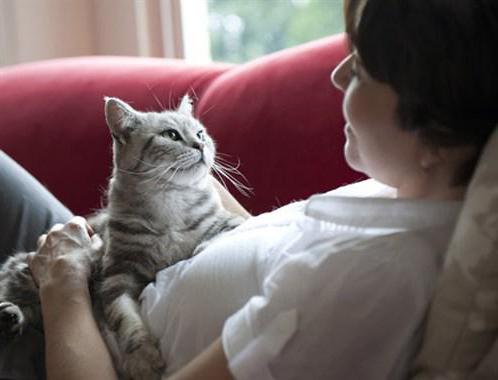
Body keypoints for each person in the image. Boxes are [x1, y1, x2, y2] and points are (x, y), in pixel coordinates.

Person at [2, 0, 497, 379]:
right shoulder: (393, 198)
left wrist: (62, 284)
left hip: (67, 324)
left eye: (361, 68)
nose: (337, 74)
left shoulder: (363, 275)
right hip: (97, 265)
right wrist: (180, 170)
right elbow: (248, 235)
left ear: (432, 123)